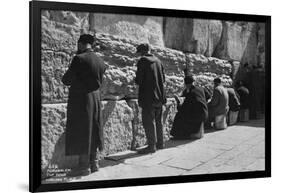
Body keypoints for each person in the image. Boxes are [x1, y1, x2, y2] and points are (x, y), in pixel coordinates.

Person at [62, 34, 107, 176]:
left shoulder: (79, 59)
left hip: (81, 99)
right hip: (95, 98)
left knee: (83, 130)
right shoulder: (100, 60)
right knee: (94, 128)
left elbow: (67, 80)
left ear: (81, 44)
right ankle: (94, 163)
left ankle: (83, 166)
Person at [135, 43, 166, 154]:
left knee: (148, 122)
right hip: (160, 97)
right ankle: (160, 143)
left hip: (148, 98)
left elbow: (139, 80)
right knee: (158, 121)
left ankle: (151, 146)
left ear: (142, 52)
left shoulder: (142, 61)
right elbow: (163, 79)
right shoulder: (158, 61)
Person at [170, 74, 208, 139]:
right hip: (205, 114)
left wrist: (178, 102)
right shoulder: (201, 88)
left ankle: (179, 135)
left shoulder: (191, 93)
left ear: (186, 84)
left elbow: (184, 109)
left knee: (179, 115)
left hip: (198, 117)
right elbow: (208, 96)